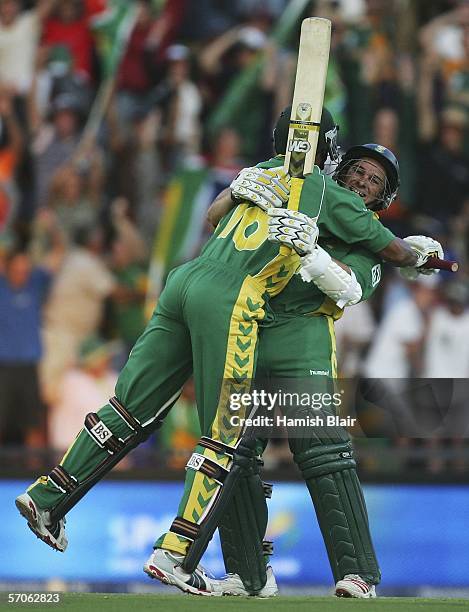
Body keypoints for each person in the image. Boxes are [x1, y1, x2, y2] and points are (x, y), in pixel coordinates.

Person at [15, 108, 439, 596]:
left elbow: (347, 287)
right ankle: (244, 573)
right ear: (336, 165)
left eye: (375, 179)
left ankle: (357, 573)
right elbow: (221, 211)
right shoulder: (310, 189)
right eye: (358, 171)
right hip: (242, 317)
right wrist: (234, 192)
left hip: (297, 343)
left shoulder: (339, 220)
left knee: (323, 454)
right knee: (238, 448)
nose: (363, 181)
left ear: (384, 196)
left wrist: (316, 252)